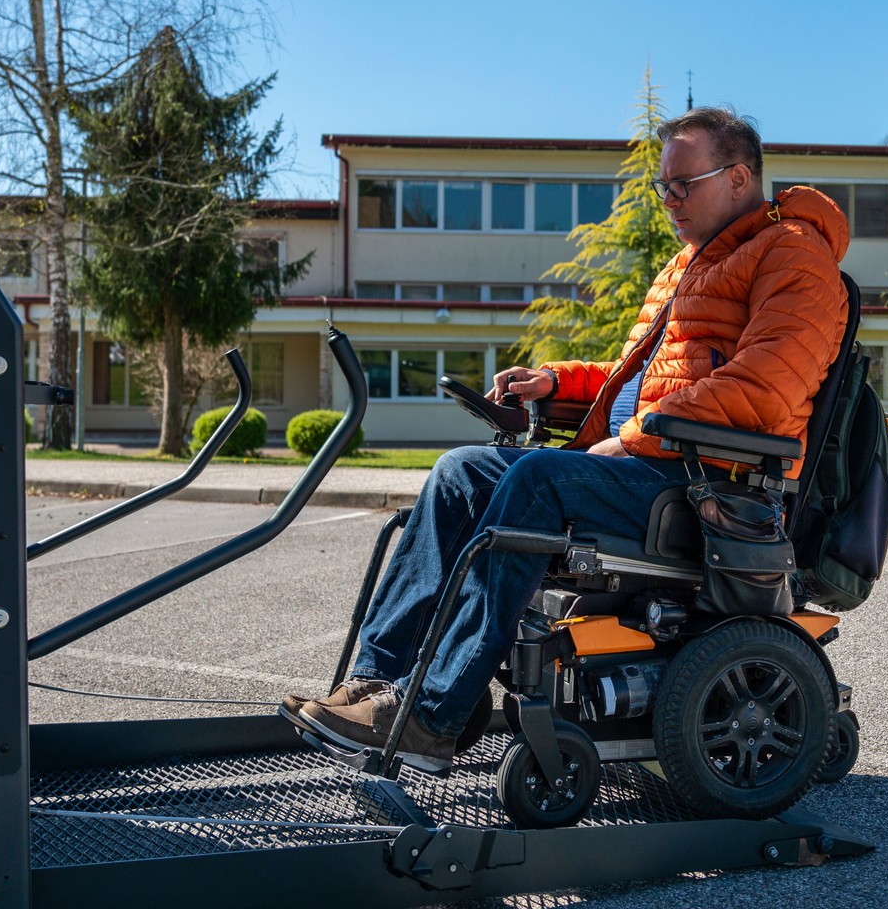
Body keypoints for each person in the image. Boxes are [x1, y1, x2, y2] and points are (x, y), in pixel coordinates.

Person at [283, 107, 850, 770]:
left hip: (709, 489)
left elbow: (764, 389)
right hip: (655, 464)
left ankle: (430, 717)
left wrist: (634, 439)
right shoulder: (687, 265)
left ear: (740, 177)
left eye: (682, 185)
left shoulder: (795, 256)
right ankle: (377, 686)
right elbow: (638, 378)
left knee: (535, 480)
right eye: (662, 187)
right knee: (461, 472)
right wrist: (555, 384)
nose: (669, 201)